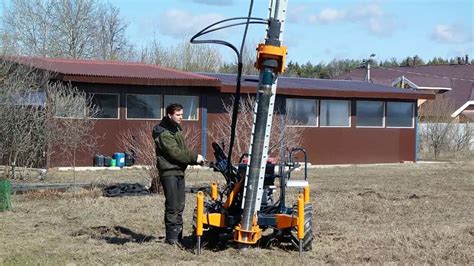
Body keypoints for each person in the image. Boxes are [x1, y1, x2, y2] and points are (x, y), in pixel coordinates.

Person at [152, 103, 205, 246]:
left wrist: (193, 160)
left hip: (178, 171)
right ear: (170, 115)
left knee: (180, 205)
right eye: (178, 115)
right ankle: (172, 239)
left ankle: (178, 237)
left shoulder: (175, 129)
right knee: (172, 205)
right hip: (169, 172)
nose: (181, 117)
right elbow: (175, 153)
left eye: (182, 114)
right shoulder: (163, 132)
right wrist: (194, 158)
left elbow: (182, 151)